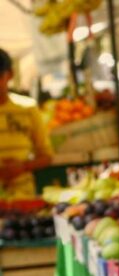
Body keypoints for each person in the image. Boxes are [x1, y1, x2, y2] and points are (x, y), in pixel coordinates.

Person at [0, 49, 52, 197]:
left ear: (10, 74)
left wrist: (22, 167)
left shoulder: (28, 108)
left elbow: (46, 157)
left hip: (23, 198)